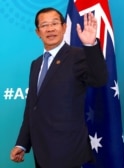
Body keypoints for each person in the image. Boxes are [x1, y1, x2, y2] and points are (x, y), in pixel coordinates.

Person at [10, 7, 108, 168]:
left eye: (55, 23)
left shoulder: (78, 56)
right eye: (44, 25)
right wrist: (22, 144)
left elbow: (99, 79)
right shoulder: (36, 64)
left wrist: (90, 46)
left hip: (67, 151)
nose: (50, 29)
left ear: (64, 27)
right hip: (41, 151)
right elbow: (32, 108)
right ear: (38, 32)